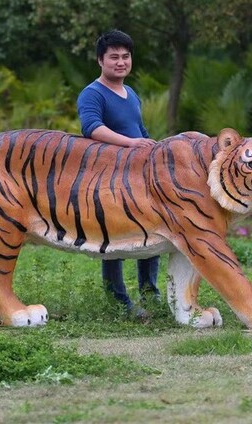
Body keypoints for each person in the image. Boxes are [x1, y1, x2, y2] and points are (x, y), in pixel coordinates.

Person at [77, 29, 161, 318]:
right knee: (114, 237)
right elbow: (92, 129)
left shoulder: (130, 92)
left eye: (125, 56)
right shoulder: (92, 93)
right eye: (114, 57)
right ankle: (118, 300)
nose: (121, 62)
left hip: (140, 177)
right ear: (101, 60)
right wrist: (132, 144)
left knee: (151, 232)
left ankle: (150, 293)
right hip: (108, 179)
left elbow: (140, 131)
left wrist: (154, 148)